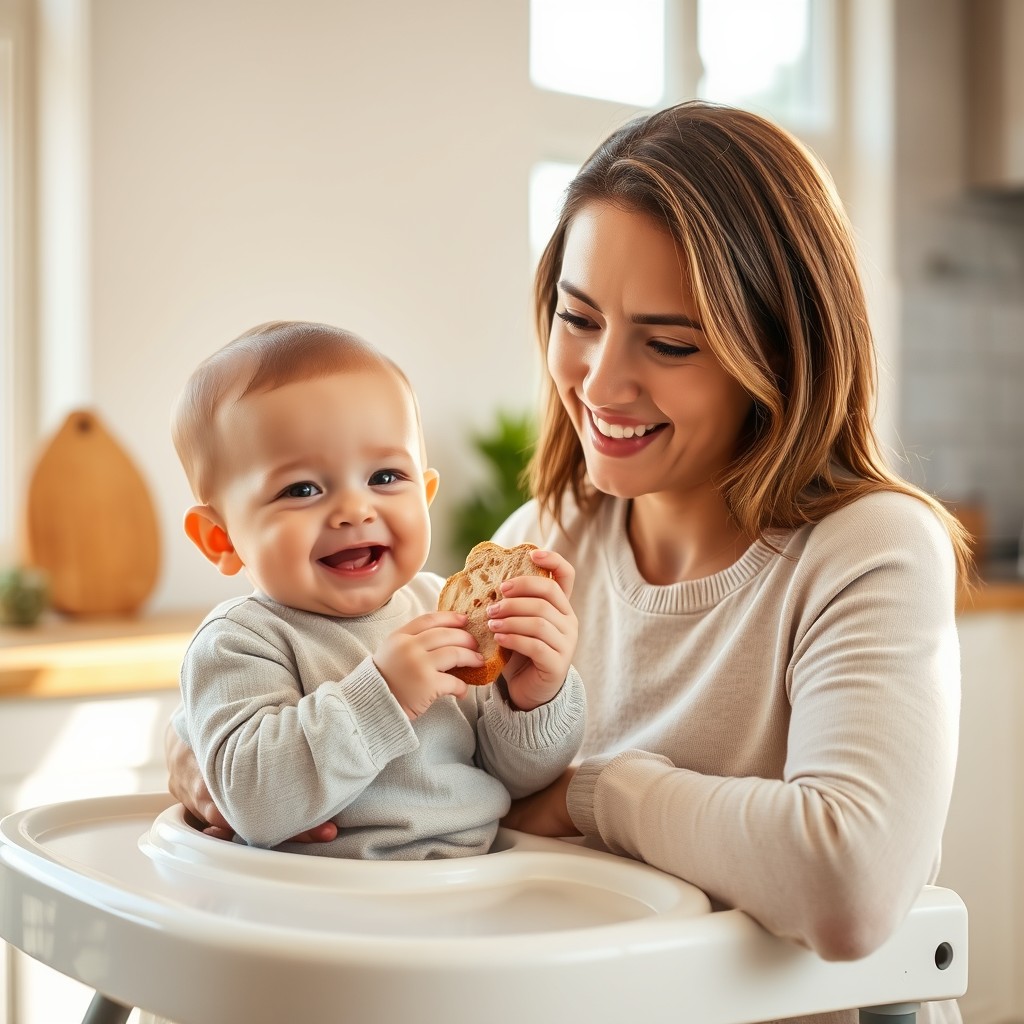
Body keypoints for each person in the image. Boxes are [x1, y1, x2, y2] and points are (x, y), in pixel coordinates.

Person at [167, 104, 970, 1024]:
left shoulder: (869, 550)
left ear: (779, 352)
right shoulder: (545, 535)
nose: (600, 381)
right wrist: (201, 761)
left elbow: (851, 880)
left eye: (668, 344)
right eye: (579, 318)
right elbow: (293, 670)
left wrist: (591, 793)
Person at [168, 320, 585, 859]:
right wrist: (382, 695)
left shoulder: (444, 611)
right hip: (315, 910)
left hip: (468, 894)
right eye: (301, 489)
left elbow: (519, 780)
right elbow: (250, 801)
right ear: (221, 537)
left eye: (385, 477)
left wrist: (531, 700)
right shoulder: (240, 644)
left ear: (426, 494)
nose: (355, 510)